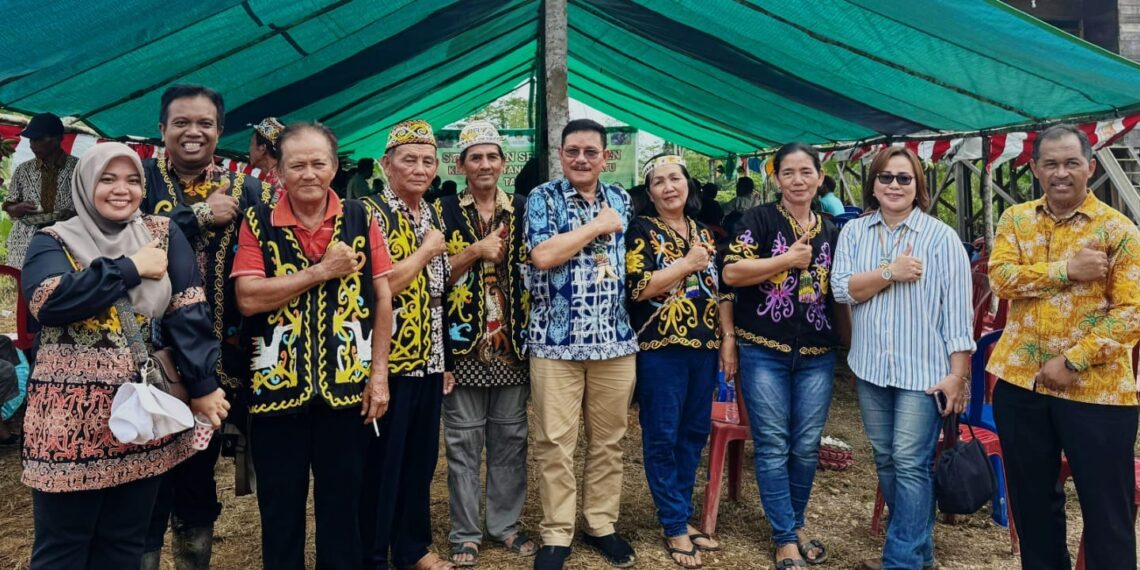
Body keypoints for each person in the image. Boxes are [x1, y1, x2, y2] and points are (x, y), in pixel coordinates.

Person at [20, 142, 228, 569]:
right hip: (66, 426)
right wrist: (130, 267)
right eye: (108, 179)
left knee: (125, 544)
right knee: (62, 549)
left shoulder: (161, 233)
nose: (122, 189)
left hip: (139, 416)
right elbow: (49, 300)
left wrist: (204, 385)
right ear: (85, 184)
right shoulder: (53, 239)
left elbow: (188, 311)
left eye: (133, 180)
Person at [232, 122, 394, 569]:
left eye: (318, 163)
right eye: (297, 164)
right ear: (279, 171)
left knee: (342, 511)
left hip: (348, 391)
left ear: (334, 167)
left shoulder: (361, 218)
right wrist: (321, 271)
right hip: (276, 392)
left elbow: (383, 299)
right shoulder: (258, 221)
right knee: (280, 512)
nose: (309, 173)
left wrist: (379, 377)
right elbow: (248, 298)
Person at [987, 125, 1140, 570]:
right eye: (1050, 163)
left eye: (1071, 163)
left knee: (1107, 515)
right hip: (1021, 385)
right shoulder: (1015, 220)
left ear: (1090, 167)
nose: (1061, 173)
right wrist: (1067, 270)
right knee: (1034, 510)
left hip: (1098, 393)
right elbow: (1001, 279)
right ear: (1035, 169)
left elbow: (1131, 313)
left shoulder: (1118, 230)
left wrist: (1072, 362)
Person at [139, 84, 273, 569]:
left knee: (197, 475)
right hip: (144, 363)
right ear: (162, 129)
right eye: (181, 122)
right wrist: (199, 214)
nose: (192, 132)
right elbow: (125, 238)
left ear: (219, 130)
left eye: (204, 123)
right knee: (145, 478)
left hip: (219, 363)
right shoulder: (137, 179)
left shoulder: (249, 190)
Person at [831, 146, 973, 570]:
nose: (894, 185)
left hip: (924, 373)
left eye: (904, 178)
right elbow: (841, 289)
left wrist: (958, 375)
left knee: (910, 463)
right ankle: (919, 551)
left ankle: (901, 560)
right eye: (886, 177)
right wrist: (889, 272)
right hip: (871, 367)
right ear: (873, 185)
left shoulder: (941, 237)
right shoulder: (855, 233)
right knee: (886, 460)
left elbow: (958, 314)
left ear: (918, 186)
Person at [722, 142, 842, 569]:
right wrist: (786, 260)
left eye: (806, 172)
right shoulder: (758, 219)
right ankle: (785, 538)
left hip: (817, 352)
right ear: (776, 179)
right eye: (788, 172)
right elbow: (731, 272)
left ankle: (795, 522)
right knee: (773, 444)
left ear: (819, 177)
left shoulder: (831, 229)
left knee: (806, 446)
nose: (797, 180)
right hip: (764, 349)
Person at [525, 118, 637, 570]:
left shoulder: (622, 199)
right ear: (561, 154)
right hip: (556, 342)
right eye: (572, 151)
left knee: (609, 441)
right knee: (554, 442)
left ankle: (601, 524)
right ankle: (557, 533)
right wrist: (597, 226)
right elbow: (543, 255)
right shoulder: (543, 198)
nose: (581, 159)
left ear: (605, 157)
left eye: (591, 151)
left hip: (614, 340)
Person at [626, 154, 734, 569]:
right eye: (659, 182)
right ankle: (672, 523)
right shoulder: (642, 229)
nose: (669, 187)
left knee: (693, 434)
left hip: (704, 347)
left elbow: (720, 290)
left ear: (688, 185)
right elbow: (637, 288)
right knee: (662, 436)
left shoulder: (703, 231)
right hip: (661, 348)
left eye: (675, 178)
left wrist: (726, 340)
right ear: (650, 192)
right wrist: (686, 264)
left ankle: (682, 515)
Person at [359, 119, 456, 570]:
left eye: (428, 161)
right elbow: (378, 287)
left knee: (420, 461)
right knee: (382, 463)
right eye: (409, 160)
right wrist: (425, 251)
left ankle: (413, 548)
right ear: (386, 164)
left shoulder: (432, 213)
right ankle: (373, 554)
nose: (420, 169)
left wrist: (445, 357)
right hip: (389, 359)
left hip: (430, 356)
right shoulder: (369, 212)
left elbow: (439, 292)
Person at [439, 121, 536, 567]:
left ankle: (504, 525)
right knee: (462, 444)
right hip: (460, 347)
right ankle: (465, 533)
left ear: (503, 163)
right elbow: (432, 278)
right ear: (460, 165)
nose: (484, 164)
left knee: (510, 440)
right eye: (475, 157)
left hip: (512, 347)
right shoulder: (442, 212)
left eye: (491, 156)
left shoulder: (524, 209)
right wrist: (474, 251)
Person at [4, 113, 78, 269]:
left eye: (38, 139)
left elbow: (92, 207)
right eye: (31, 140)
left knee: (59, 279)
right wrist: (18, 208)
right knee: (22, 280)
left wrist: (73, 214)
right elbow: (9, 206)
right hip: (24, 242)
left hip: (66, 240)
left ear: (57, 139)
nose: (32, 145)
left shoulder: (78, 169)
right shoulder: (23, 170)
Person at [248, 116, 284, 196]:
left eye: (251, 143)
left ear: (262, 149)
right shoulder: (283, 173)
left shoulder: (275, 182)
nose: (249, 150)